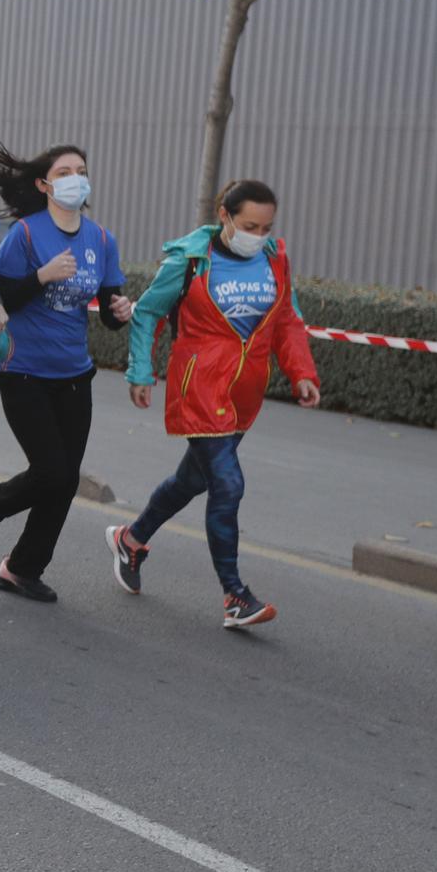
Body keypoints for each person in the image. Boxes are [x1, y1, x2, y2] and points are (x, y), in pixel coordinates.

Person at [110, 180, 318, 629]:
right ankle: (234, 595)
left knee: (192, 480)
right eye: (249, 225)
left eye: (266, 227)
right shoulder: (189, 261)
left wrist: (302, 373)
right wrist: (140, 372)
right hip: (199, 387)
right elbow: (148, 311)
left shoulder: (275, 259)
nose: (258, 235)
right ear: (224, 216)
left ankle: (132, 538)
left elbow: (287, 321)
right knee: (228, 484)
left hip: (245, 392)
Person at [0, 143, 134, 601]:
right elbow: (0, 300)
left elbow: (110, 310)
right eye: (65, 171)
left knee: (65, 478)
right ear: (44, 184)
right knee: (53, 470)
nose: (76, 177)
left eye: (81, 170)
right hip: (23, 368)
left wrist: (120, 309)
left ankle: (21, 568)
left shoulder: (100, 239)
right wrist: (43, 275)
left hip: (74, 370)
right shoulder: (27, 235)